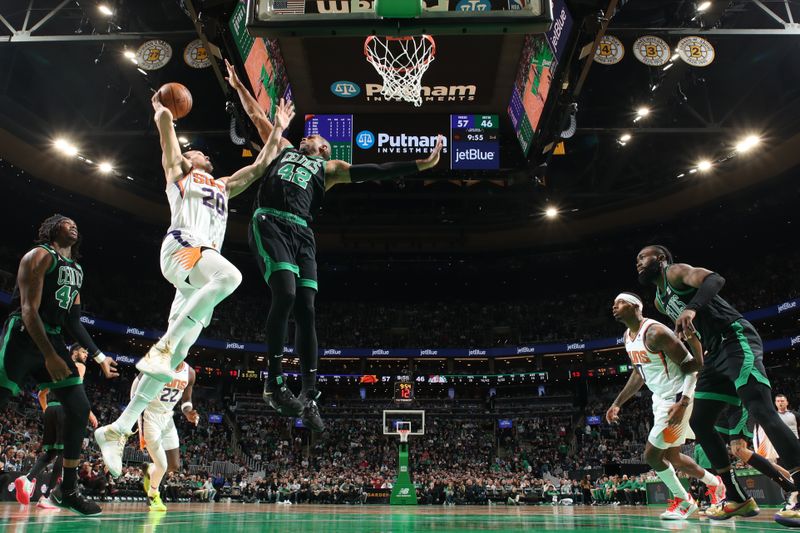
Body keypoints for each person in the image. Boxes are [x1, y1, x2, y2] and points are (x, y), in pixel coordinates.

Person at [225, 59, 443, 431]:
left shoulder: (331, 169)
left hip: (303, 233)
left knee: (307, 308)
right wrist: (238, 85)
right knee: (286, 295)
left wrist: (421, 165)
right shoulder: (281, 148)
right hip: (271, 221)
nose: (309, 135)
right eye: (308, 134)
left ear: (324, 148)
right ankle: (274, 381)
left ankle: (309, 391)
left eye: (315, 137)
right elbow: (256, 114)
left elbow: (377, 171)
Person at [94, 95, 296, 478]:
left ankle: (117, 428)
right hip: (183, 250)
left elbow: (260, 166)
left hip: (198, 273)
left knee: (175, 360)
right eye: (194, 152)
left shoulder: (222, 185)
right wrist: (163, 113)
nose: (197, 154)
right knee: (232, 277)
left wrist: (280, 129)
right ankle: (163, 347)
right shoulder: (182, 175)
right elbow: (169, 145)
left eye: (201, 152)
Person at [636, 245, 800, 525]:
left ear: (661, 260)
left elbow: (715, 280)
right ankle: (736, 498)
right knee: (700, 422)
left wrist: (691, 308)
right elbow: (692, 334)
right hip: (713, 354)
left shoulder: (675, 273)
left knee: (760, 409)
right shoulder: (660, 301)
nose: (638, 263)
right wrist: (699, 363)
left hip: (735, 338)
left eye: (643, 257)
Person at [0, 215, 118, 515]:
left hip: (52, 338)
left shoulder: (77, 270)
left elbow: (73, 322)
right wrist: (50, 355)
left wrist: (100, 357)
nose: (74, 225)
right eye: (67, 222)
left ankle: (66, 491)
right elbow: (28, 309)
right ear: (53, 229)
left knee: (79, 408)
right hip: (24, 336)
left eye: (76, 223)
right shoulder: (39, 255)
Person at [607, 292, 724, 519]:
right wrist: (617, 403)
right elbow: (639, 374)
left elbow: (692, 366)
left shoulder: (656, 332)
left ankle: (684, 501)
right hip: (660, 399)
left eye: (620, 302)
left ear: (636, 308)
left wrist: (684, 401)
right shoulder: (627, 337)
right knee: (673, 457)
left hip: (676, 398)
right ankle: (716, 484)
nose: (614, 306)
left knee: (651, 456)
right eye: (614, 303)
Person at [14, 344, 100, 509]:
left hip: (52, 409)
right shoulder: (79, 366)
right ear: (74, 353)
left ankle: (26, 479)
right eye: (83, 351)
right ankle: (47, 497)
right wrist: (89, 413)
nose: (86, 355)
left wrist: (47, 410)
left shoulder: (58, 366)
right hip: (64, 408)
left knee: (52, 452)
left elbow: (41, 394)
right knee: (64, 454)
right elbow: (76, 389)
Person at [134, 361, 197, 512]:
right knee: (162, 465)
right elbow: (136, 385)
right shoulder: (159, 364)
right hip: (149, 415)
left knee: (173, 465)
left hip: (167, 418)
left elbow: (186, 401)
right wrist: (134, 413)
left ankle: (150, 470)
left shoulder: (190, 372)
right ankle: (153, 495)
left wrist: (188, 412)